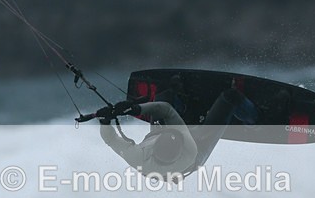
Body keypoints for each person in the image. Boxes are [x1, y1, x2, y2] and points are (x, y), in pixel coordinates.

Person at [99, 76, 259, 181]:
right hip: (198, 147)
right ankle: (255, 120)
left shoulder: (136, 156)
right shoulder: (188, 152)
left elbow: (110, 139)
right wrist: (136, 109)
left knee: (163, 88)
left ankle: (181, 102)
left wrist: (105, 121)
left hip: (163, 142)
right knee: (230, 97)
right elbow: (166, 110)